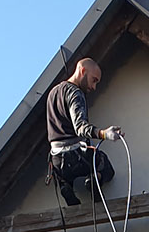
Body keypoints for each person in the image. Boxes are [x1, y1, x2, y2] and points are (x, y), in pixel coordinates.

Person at [46, 58, 124, 206]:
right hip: (77, 155)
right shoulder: (75, 93)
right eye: (94, 80)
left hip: (57, 159)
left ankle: (65, 187)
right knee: (106, 167)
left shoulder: (53, 93)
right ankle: (95, 180)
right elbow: (80, 127)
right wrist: (104, 134)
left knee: (64, 177)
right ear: (82, 71)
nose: (94, 87)